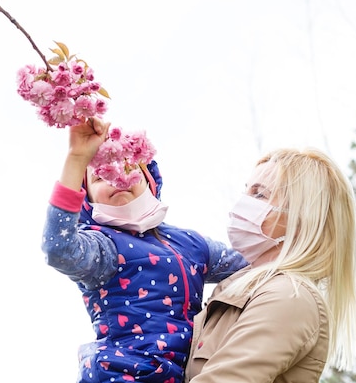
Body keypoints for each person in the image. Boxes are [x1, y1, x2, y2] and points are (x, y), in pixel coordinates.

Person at [41, 117, 249, 383]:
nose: (118, 178)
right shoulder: (102, 247)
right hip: (121, 373)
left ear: (151, 180)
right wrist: (77, 159)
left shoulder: (192, 244)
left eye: (129, 166)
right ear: (87, 198)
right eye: (101, 176)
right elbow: (59, 248)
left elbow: (252, 266)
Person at [185, 148, 356, 382]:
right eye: (247, 191)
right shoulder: (239, 292)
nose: (243, 203)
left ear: (303, 218)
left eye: (259, 195)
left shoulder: (289, 296)